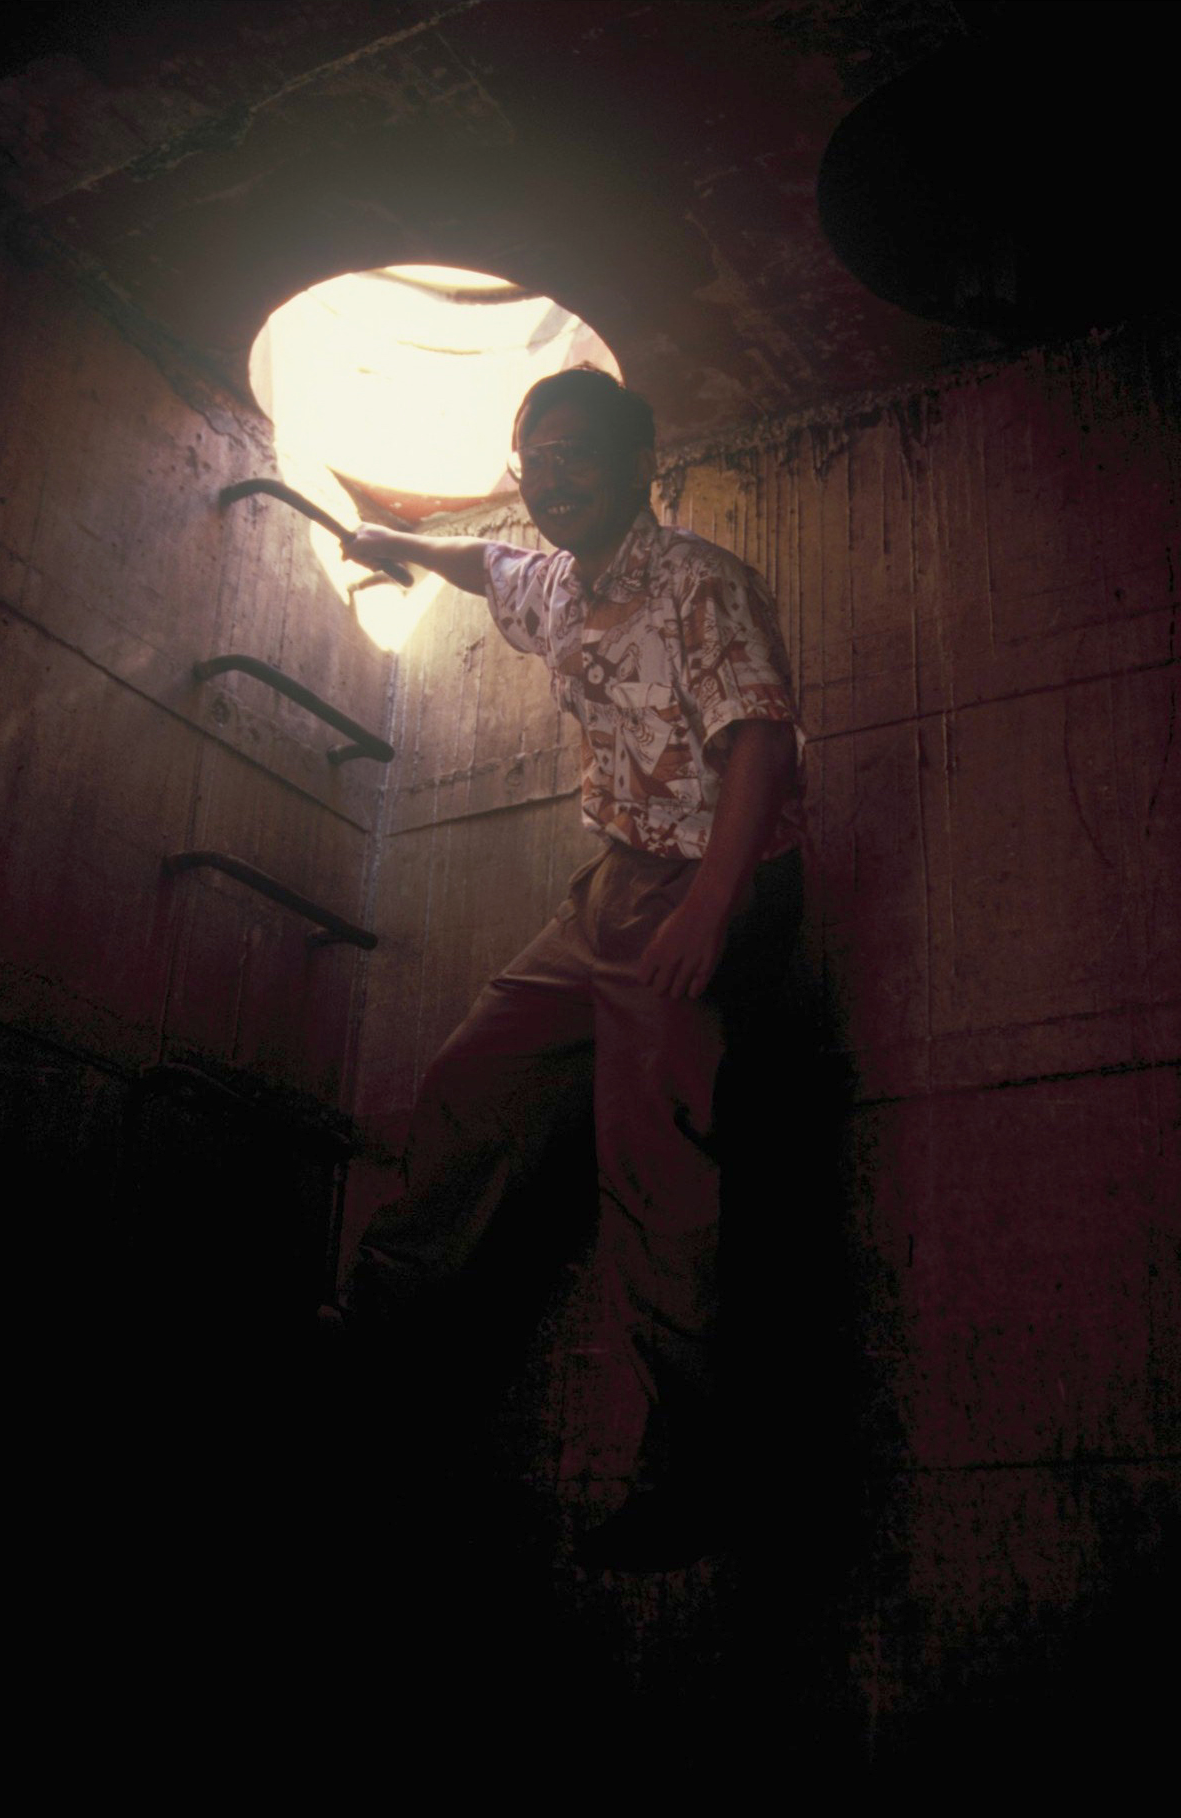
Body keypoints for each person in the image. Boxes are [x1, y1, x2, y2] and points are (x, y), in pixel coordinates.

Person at [338, 365, 807, 1569]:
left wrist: (711, 906)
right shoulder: (556, 583)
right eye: (533, 460)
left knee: (655, 1174)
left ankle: (699, 1468)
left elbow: (759, 742)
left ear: (638, 463)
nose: (551, 479)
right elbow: (485, 564)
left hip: (705, 882)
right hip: (612, 886)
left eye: (576, 454)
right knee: (470, 1082)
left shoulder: (700, 580)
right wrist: (393, 542)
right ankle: (376, 1338)